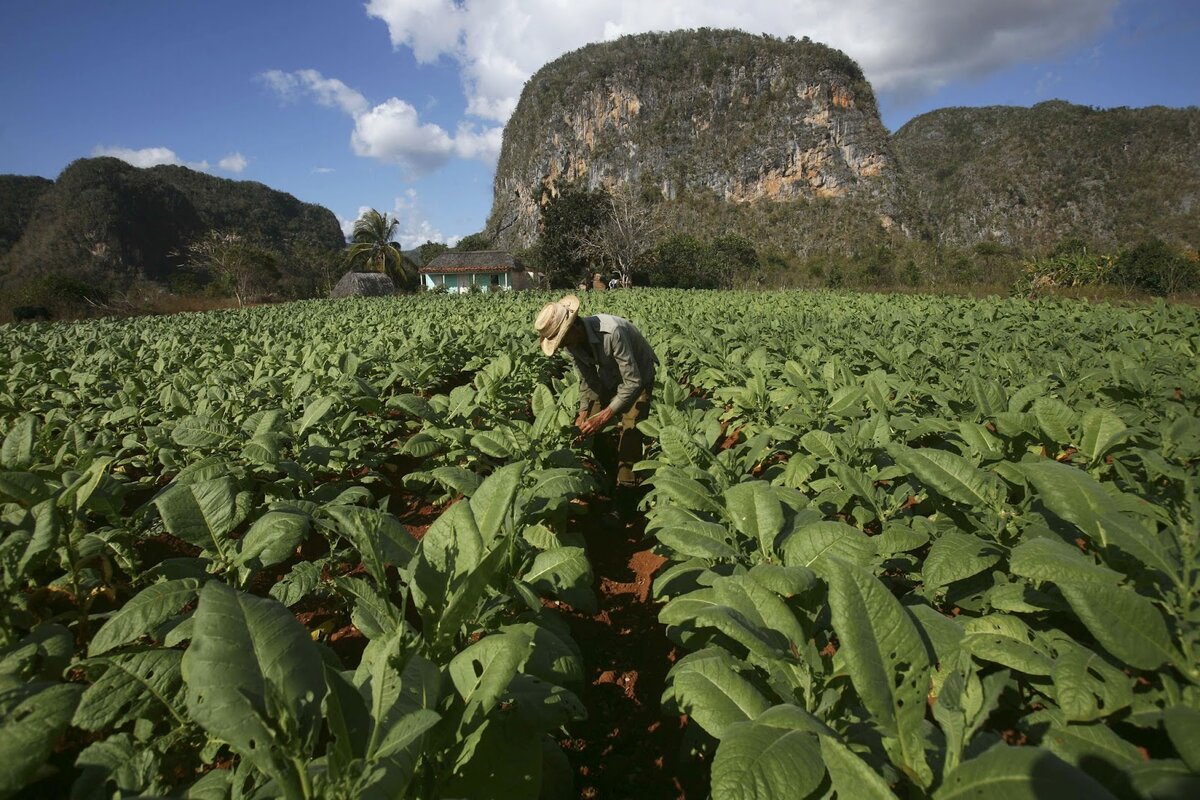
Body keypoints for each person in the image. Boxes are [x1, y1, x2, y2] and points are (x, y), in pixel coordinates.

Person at [535, 294, 658, 503]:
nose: (563, 345)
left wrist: (605, 416)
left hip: (639, 375)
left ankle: (627, 492)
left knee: (630, 429)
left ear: (573, 327)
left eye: (562, 339)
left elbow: (633, 382)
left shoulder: (612, 332)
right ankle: (609, 473)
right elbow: (587, 380)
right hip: (610, 375)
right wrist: (584, 413)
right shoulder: (572, 345)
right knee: (589, 428)